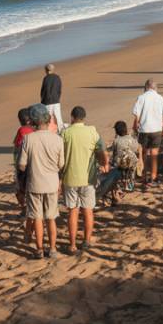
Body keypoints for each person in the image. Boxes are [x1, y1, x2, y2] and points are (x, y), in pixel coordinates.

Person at [17, 103, 65, 258]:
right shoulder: (57, 139)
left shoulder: (28, 139)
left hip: (34, 183)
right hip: (52, 183)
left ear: (32, 121)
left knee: (37, 217)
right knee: (51, 218)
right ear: (48, 119)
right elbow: (61, 164)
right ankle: (52, 248)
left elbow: (22, 166)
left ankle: (39, 249)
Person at [61, 106, 107, 253]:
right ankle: (86, 240)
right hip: (88, 178)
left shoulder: (65, 133)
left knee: (73, 212)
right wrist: (104, 163)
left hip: (70, 177)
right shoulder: (92, 132)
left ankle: (72, 244)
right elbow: (101, 150)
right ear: (84, 117)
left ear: (72, 117)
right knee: (88, 211)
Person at [131, 78, 163, 187]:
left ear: (146, 87)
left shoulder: (141, 97)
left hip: (144, 129)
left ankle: (144, 176)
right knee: (154, 154)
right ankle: (154, 177)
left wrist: (135, 127)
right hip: (157, 129)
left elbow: (136, 115)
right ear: (155, 88)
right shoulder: (161, 98)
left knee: (144, 153)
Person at [99, 120, 141, 204]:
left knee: (109, 172)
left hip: (120, 166)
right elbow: (137, 148)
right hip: (131, 166)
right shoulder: (131, 139)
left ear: (116, 131)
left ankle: (114, 196)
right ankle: (116, 195)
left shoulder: (116, 141)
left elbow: (114, 153)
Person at [12, 107, 35, 214]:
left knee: (20, 189)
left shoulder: (21, 130)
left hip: (21, 164)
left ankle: (23, 207)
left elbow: (15, 144)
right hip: (32, 163)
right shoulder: (33, 129)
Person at [39, 64, 63, 132]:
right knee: (58, 118)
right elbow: (59, 89)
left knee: (48, 119)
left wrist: (42, 101)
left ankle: (48, 132)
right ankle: (61, 131)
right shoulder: (57, 77)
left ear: (46, 70)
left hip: (47, 101)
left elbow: (43, 91)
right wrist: (58, 98)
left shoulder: (45, 78)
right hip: (56, 100)